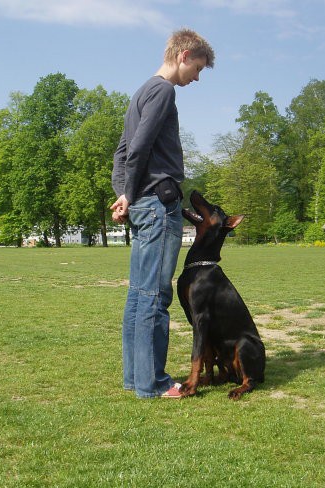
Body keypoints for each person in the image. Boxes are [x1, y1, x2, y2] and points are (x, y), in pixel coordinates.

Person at [110, 29, 215, 398]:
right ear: (185, 55)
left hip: (143, 203)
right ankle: (153, 383)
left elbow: (120, 155)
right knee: (154, 296)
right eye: (198, 69)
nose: (197, 78)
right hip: (157, 205)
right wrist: (128, 195)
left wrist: (124, 195)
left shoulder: (141, 91)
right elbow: (136, 149)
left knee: (139, 295)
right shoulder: (163, 90)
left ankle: (135, 378)